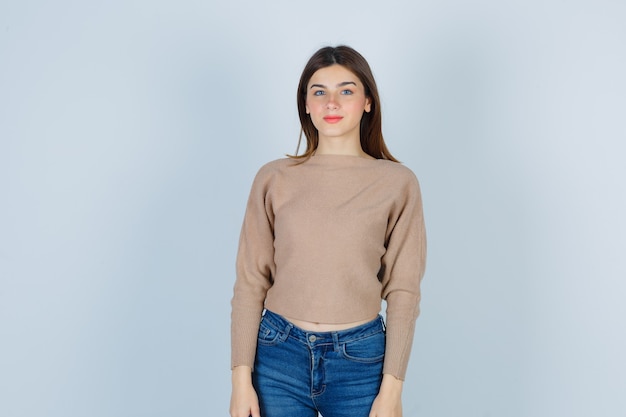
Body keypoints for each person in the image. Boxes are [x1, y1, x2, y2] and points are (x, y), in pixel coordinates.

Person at [229, 45, 427, 417]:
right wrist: (240, 381)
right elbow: (250, 282)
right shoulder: (274, 178)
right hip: (277, 356)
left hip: (360, 361)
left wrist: (392, 391)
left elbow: (404, 291)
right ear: (305, 103)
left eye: (346, 90)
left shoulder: (397, 183)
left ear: (368, 101)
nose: (331, 102)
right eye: (319, 91)